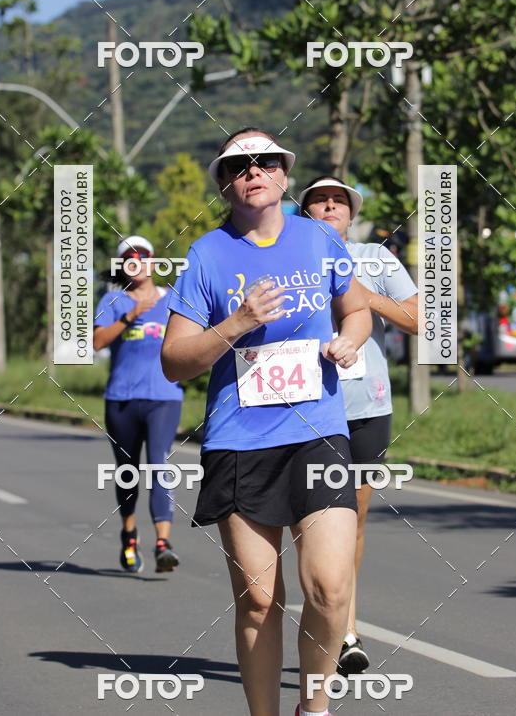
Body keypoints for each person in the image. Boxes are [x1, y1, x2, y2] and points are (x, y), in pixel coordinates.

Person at [161, 128, 372, 716]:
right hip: (239, 439)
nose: (254, 171)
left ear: (284, 174)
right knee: (258, 600)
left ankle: (315, 706)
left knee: (330, 588)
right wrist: (237, 323)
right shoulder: (207, 254)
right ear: (225, 182)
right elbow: (174, 362)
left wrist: (350, 342)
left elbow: (355, 308)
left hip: (319, 431)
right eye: (240, 165)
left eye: (267, 162)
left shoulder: (318, 239)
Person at [300, 176, 419, 674]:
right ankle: (331, 623)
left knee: (353, 520)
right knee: (314, 522)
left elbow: (420, 319)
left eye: (339, 201)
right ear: (303, 213)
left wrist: (363, 296)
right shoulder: (288, 256)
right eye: (319, 201)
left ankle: (346, 626)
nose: (330, 206)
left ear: (350, 214)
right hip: (303, 406)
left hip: (365, 406)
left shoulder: (373, 256)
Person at [93, 235, 183, 574]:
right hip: (121, 400)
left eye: (142, 255)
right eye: (128, 258)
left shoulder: (173, 298)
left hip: (164, 398)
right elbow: (97, 341)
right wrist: (131, 316)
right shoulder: (113, 300)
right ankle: (129, 534)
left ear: (152, 260)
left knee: (160, 465)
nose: (136, 262)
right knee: (128, 472)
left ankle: (163, 544)